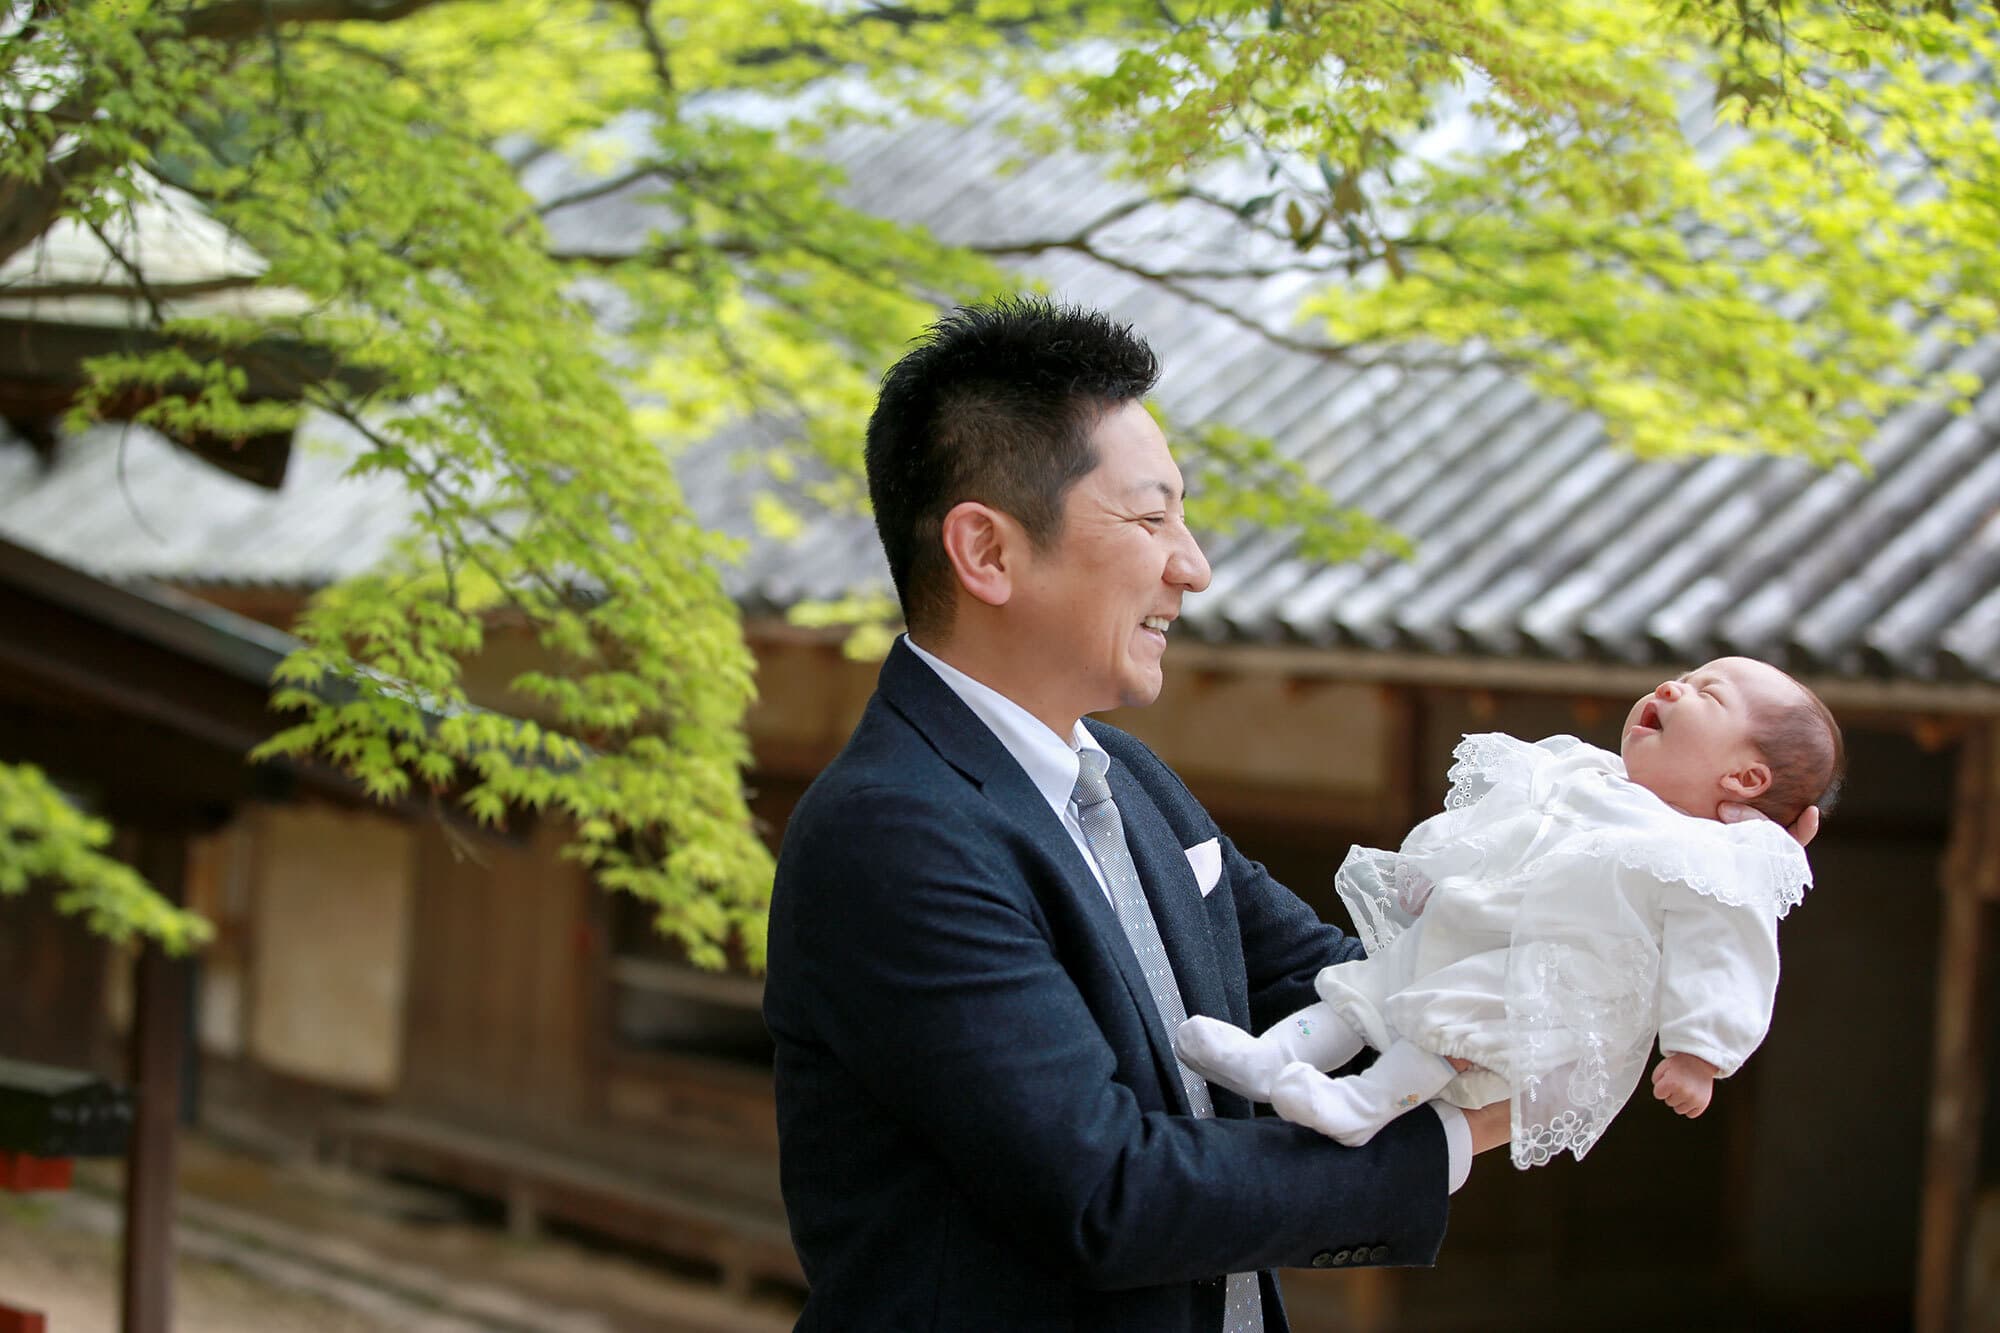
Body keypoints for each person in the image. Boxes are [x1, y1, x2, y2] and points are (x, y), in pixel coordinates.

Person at [762, 296, 1510, 1333]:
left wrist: (1624, 889)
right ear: (987, 551)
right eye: (1151, 519)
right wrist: (1447, 1142)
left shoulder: (1128, 775)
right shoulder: (892, 832)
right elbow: (1105, 1192)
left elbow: (1350, 979)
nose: (1191, 565)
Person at [1175, 657, 1843, 1168]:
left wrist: (1700, 1052)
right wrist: (1434, 866)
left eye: (1708, 695)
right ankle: (1269, 1058)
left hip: (1553, 985)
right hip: (1476, 926)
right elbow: (1495, 825)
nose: (1671, 688)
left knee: (1451, 1026)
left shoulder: (1709, 855)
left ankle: (1362, 1104)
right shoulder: (1581, 770)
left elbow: (1727, 954)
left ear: (1745, 778)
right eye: (1683, 677)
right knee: (1366, 989)